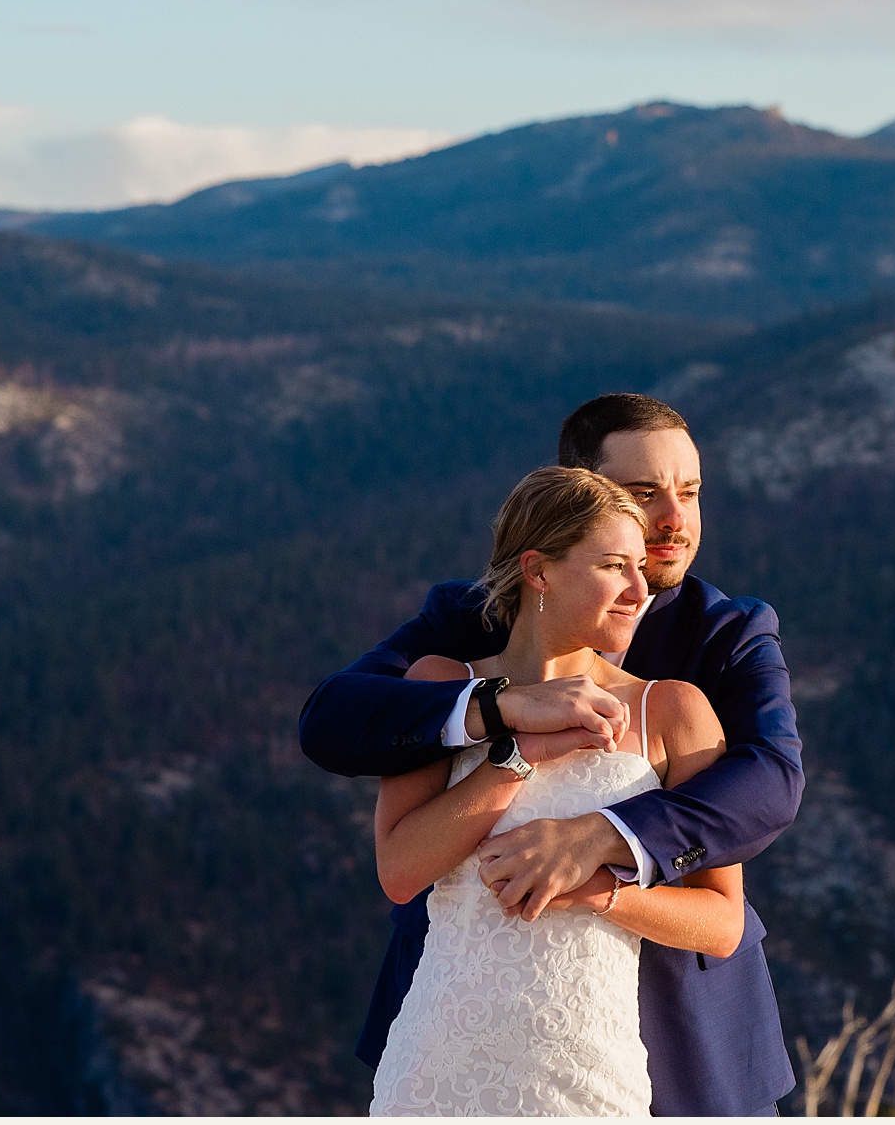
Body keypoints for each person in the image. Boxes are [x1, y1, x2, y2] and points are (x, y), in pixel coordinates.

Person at [299, 394, 801, 1115]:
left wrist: (600, 840)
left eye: (689, 492)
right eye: (643, 493)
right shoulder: (469, 625)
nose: (673, 519)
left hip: (686, 1032)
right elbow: (333, 721)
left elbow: (772, 785)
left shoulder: (728, 635)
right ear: (581, 495)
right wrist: (496, 714)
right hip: (460, 1030)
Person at [370, 467, 742, 1114]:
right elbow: (400, 870)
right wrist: (519, 754)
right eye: (613, 566)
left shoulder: (674, 714)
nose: (638, 588)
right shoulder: (440, 684)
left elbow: (722, 923)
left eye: (640, 569)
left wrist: (599, 892)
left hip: (589, 1073)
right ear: (539, 570)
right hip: (436, 1070)